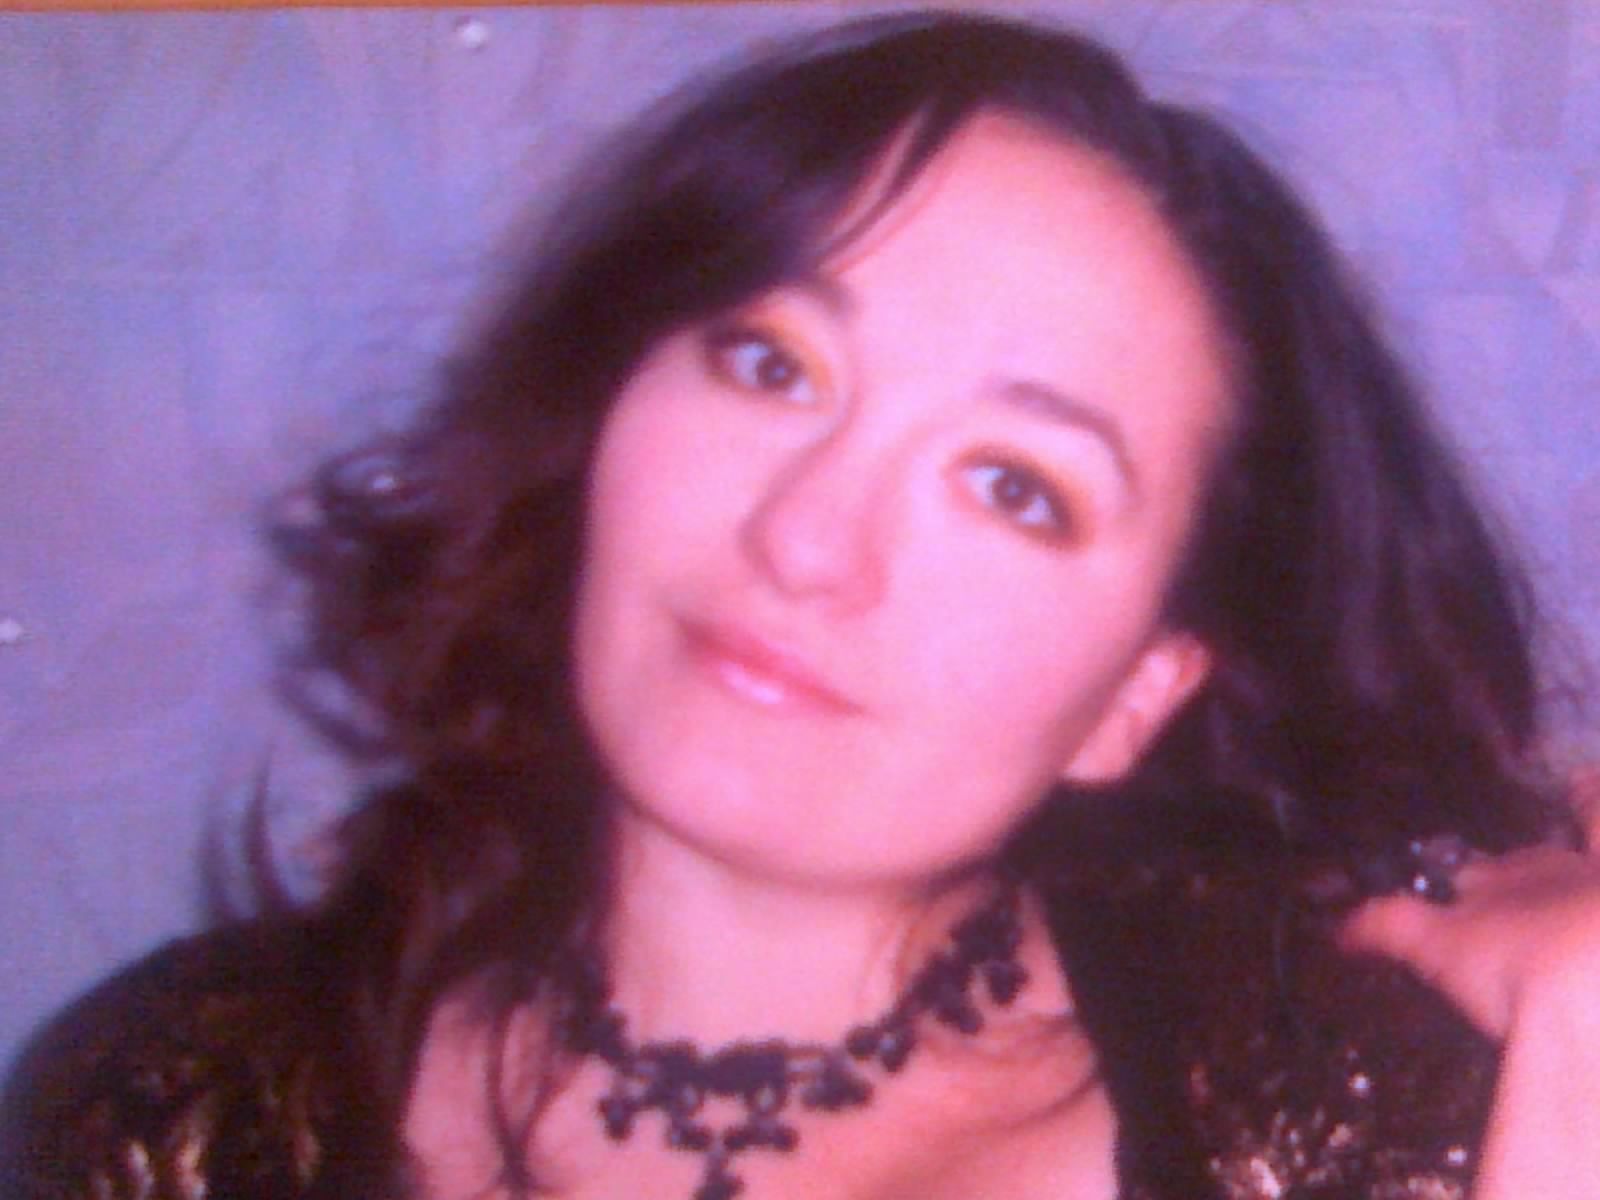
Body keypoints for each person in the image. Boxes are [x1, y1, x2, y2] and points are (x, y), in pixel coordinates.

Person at [4, 10, 1597, 1200]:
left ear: (1138, 694)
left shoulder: (1397, 1125)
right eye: (772, 365)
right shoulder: (181, 1110)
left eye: (1014, 487)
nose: (808, 539)